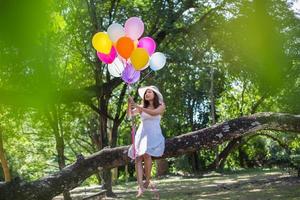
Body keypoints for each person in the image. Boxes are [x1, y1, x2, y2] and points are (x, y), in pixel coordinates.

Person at [127, 85, 165, 198]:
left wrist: (139, 107)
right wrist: (129, 104)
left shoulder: (161, 105)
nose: (147, 94)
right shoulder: (141, 107)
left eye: (149, 92)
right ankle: (140, 186)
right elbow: (129, 115)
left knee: (147, 155)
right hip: (142, 133)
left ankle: (147, 180)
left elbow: (154, 113)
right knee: (138, 158)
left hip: (153, 133)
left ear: (155, 95)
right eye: (146, 93)